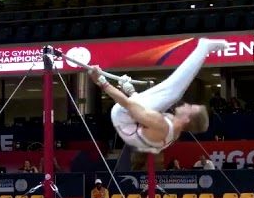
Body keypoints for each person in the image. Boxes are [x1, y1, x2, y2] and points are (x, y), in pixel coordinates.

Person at [88, 37, 226, 154]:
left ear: (186, 119)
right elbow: (144, 111)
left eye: (189, 107)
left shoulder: (162, 126)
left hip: (122, 118)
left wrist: (101, 81)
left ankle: (203, 48)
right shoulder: (173, 127)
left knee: (173, 93)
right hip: (136, 120)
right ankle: (203, 49)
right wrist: (130, 91)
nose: (185, 104)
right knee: (171, 95)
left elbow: (128, 105)